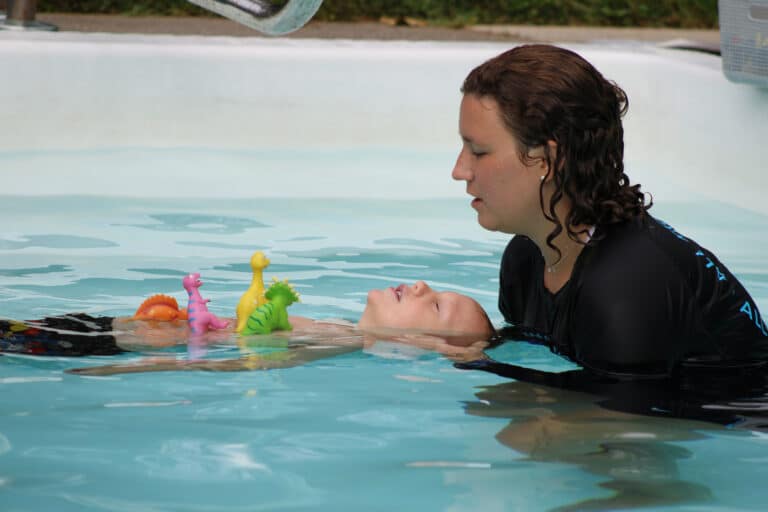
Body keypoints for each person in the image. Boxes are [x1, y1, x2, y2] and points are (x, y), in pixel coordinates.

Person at [451, 44, 768, 382]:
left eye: (479, 151)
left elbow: (627, 423)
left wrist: (471, 366)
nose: (460, 170)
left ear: (547, 160)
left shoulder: (626, 290)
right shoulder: (526, 259)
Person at [0, 281, 497, 374]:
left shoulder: (338, 342)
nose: (421, 284)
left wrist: (143, 368)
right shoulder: (338, 329)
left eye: (435, 307)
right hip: (104, 333)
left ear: (419, 345)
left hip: (102, 344)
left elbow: (240, 363)